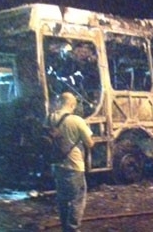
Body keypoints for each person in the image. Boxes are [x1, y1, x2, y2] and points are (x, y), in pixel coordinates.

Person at [49, 92, 95, 232]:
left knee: (62, 199)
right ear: (71, 104)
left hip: (56, 164)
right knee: (77, 200)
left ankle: (65, 228)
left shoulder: (50, 117)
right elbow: (90, 143)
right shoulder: (76, 120)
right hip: (74, 166)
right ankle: (73, 229)